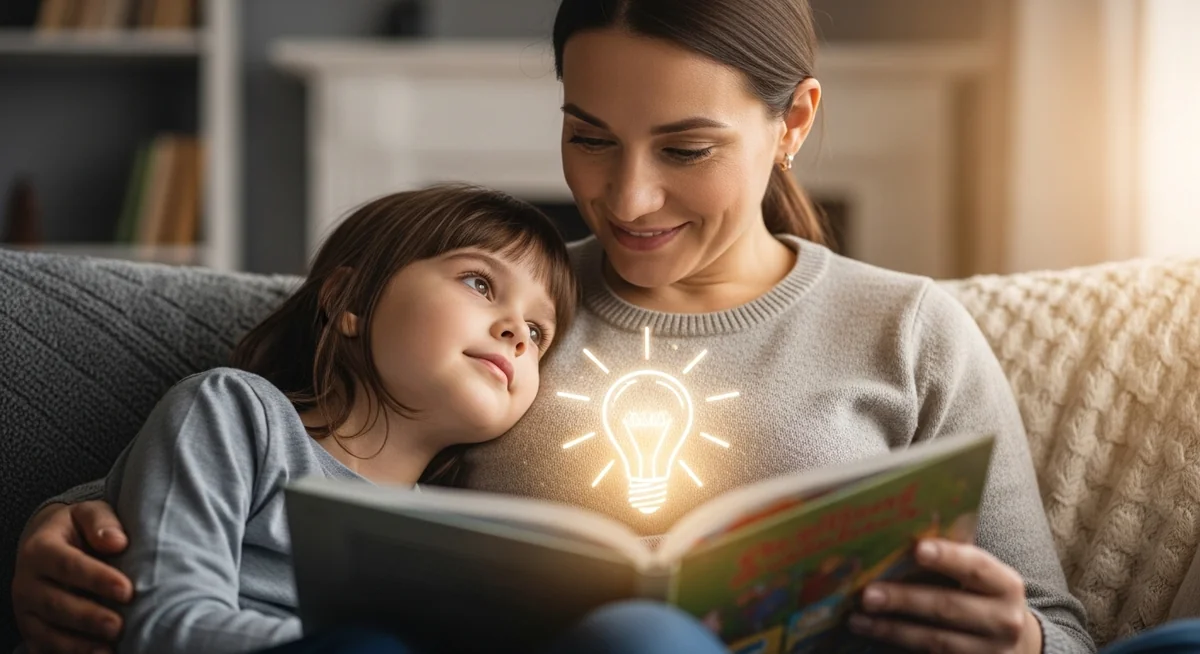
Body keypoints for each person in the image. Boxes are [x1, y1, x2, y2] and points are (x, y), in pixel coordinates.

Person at [14, 1, 1199, 653]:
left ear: (794, 125)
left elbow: (1053, 624)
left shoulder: (908, 329)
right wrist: (67, 527)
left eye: (685, 150)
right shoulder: (500, 321)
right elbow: (294, 465)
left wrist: (1022, 647)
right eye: (588, 136)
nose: (624, 199)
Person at [12, 184, 577, 654]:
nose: (515, 332)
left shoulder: (454, 531)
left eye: (538, 332)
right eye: (480, 283)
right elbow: (161, 624)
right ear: (349, 300)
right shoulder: (236, 414)